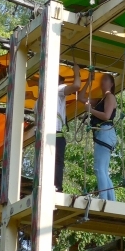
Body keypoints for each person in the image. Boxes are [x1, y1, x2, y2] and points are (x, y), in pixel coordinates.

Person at [79, 72, 117, 200]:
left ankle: (104, 199)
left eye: (106, 80)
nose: (102, 82)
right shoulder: (101, 99)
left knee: (99, 168)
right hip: (104, 133)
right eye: (102, 80)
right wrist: (89, 81)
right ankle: (111, 200)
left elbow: (106, 116)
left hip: (105, 130)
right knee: (103, 170)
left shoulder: (110, 97)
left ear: (112, 84)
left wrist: (91, 111)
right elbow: (81, 97)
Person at [55, 63, 81, 192]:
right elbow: (76, 86)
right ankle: (57, 188)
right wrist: (76, 72)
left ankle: (47, 186)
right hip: (55, 133)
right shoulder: (58, 89)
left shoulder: (40, 98)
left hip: (43, 134)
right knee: (57, 162)